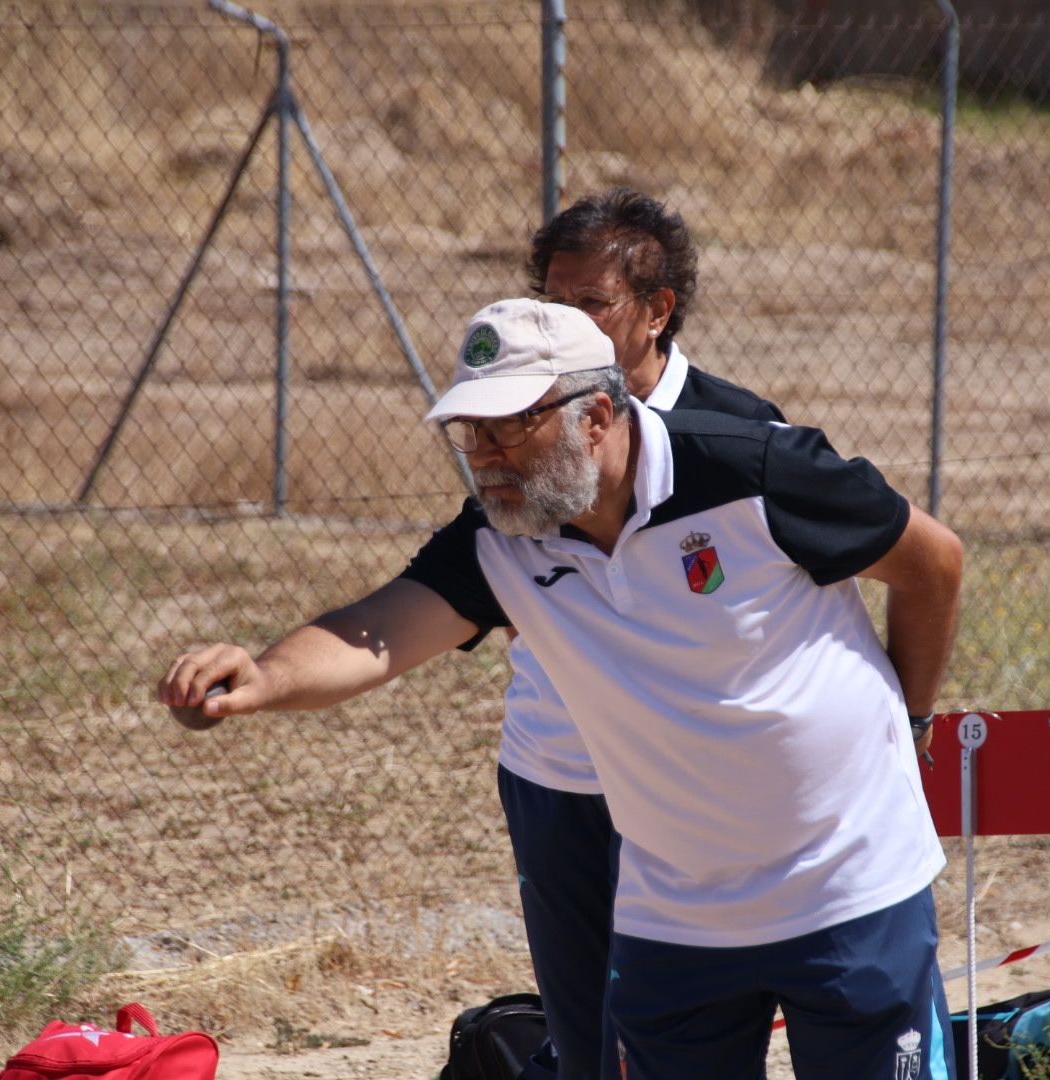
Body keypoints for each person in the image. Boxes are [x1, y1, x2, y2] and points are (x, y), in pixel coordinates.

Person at [160, 298, 963, 1080]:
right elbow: (378, 632)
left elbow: (932, 561)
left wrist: (913, 710)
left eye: (512, 425)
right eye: (470, 430)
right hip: (675, 918)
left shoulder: (752, 469)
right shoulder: (500, 540)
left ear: (596, 417)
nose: (485, 453)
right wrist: (263, 678)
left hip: (850, 890)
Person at [508, 188, 784, 1080]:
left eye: (591, 303)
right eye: (553, 302)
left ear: (657, 311)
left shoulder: (746, 435)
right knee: (587, 1039)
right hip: (559, 775)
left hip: (690, 782)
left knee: (676, 1040)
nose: (567, 323)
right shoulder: (520, 424)